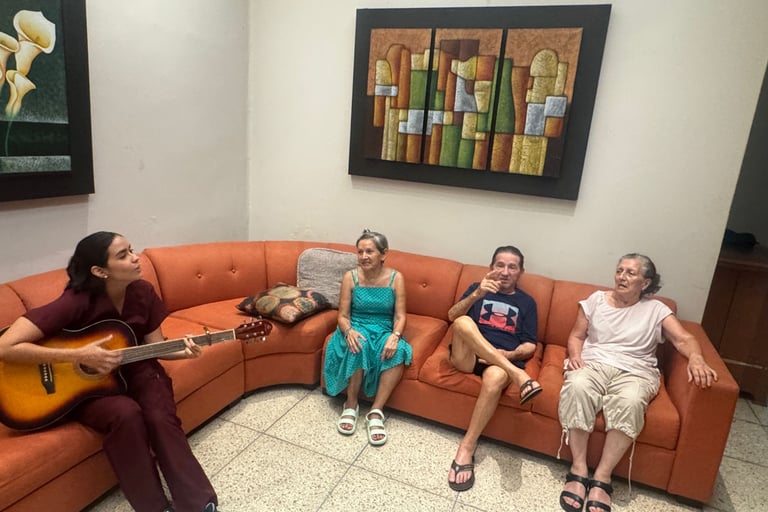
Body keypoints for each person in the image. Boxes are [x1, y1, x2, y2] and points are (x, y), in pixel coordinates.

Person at [0, 232, 218, 512]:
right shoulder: (76, 301)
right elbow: (5, 346)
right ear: (100, 271)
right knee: (126, 415)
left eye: (132, 250)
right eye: (123, 255)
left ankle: (198, 504)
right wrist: (77, 355)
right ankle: (153, 507)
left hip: (138, 369)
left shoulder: (143, 292)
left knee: (160, 417)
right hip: (88, 389)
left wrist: (185, 351)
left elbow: (155, 346)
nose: (136, 258)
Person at [558, 253, 719, 512]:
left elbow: (684, 339)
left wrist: (696, 358)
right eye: (619, 270)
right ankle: (578, 469)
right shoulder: (595, 300)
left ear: (645, 283)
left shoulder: (656, 310)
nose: (621, 277)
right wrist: (575, 356)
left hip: (636, 371)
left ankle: (602, 477)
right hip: (593, 363)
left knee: (631, 401)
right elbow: (576, 336)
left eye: (630, 273)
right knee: (577, 387)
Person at [446, 246, 543, 492]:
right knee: (463, 321)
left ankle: (467, 447)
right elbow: (452, 316)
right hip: (468, 355)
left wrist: (507, 355)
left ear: (521, 272)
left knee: (497, 377)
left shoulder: (527, 302)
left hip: (500, 361)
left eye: (512, 267)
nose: (505, 272)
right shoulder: (476, 288)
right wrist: (477, 294)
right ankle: (518, 374)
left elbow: (530, 344)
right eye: (500, 265)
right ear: (491, 267)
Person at [323, 229, 411, 446]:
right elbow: (342, 316)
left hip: (383, 329)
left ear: (383, 254)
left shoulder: (396, 278)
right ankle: (351, 404)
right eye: (360, 252)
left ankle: (376, 411)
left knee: (399, 350)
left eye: (369, 251)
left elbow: (400, 316)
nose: (363, 256)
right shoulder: (350, 277)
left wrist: (395, 336)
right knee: (357, 345)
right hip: (356, 326)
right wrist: (348, 331)